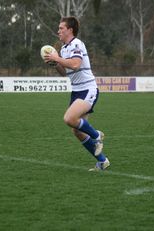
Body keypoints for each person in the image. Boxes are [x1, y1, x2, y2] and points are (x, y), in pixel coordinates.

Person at [44, 16, 110, 171]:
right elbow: (65, 73)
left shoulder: (76, 44)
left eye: (61, 28)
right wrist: (55, 63)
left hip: (88, 89)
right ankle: (102, 161)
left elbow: (75, 64)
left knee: (68, 118)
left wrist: (57, 58)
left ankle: (96, 135)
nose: (58, 31)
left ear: (70, 30)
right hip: (76, 91)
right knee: (77, 131)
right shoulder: (64, 48)